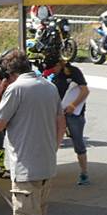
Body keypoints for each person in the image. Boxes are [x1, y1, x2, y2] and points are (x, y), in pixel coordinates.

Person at [0, 50, 66, 215]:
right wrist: (52, 148)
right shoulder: (49, 86)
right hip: (46, 162)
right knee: (36, 214)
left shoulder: (16, 89)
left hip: (25, 164)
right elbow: (61, 122)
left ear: (8, 72)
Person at [43, 54, 91, 185]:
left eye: (53, 69)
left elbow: (85, 91)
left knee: (78, 142)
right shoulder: (53, 76)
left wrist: (73, 105)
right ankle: (46, 171)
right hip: (58, 113)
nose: (52, 72)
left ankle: (84, 173)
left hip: (74, 113)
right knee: (52, 141)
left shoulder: (74, 72)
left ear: (59, 64)